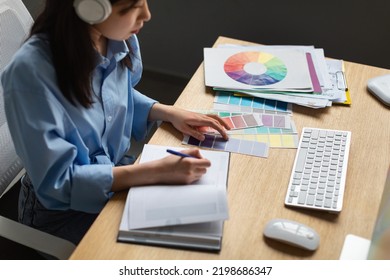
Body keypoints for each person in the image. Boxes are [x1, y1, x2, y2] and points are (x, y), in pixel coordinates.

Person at [1, 0, 229, 245]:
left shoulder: (115, 37)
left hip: (117, 173)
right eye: (131, 8)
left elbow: (105, 94)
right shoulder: (30, 74)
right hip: (62, 214)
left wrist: (166, 112)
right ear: (91, 7)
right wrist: (155, 172)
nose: (147, 15)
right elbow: (59, 183)